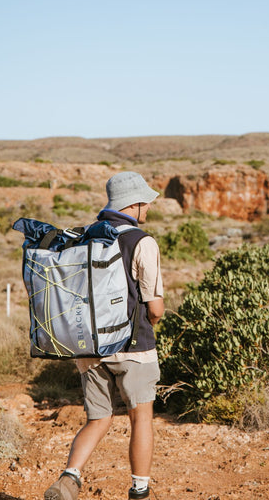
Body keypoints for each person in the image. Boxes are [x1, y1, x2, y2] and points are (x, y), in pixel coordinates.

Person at [44, 171, 165, 500]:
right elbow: (154, 309)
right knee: (141, 417)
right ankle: (140, 490)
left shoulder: (87, 238)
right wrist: (151, 324)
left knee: (98, 418)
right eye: (146, 203)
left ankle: (69, 478)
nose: (149, 209)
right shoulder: (142, 242)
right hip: (133, 347)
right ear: (135, 204)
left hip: (89, 347)